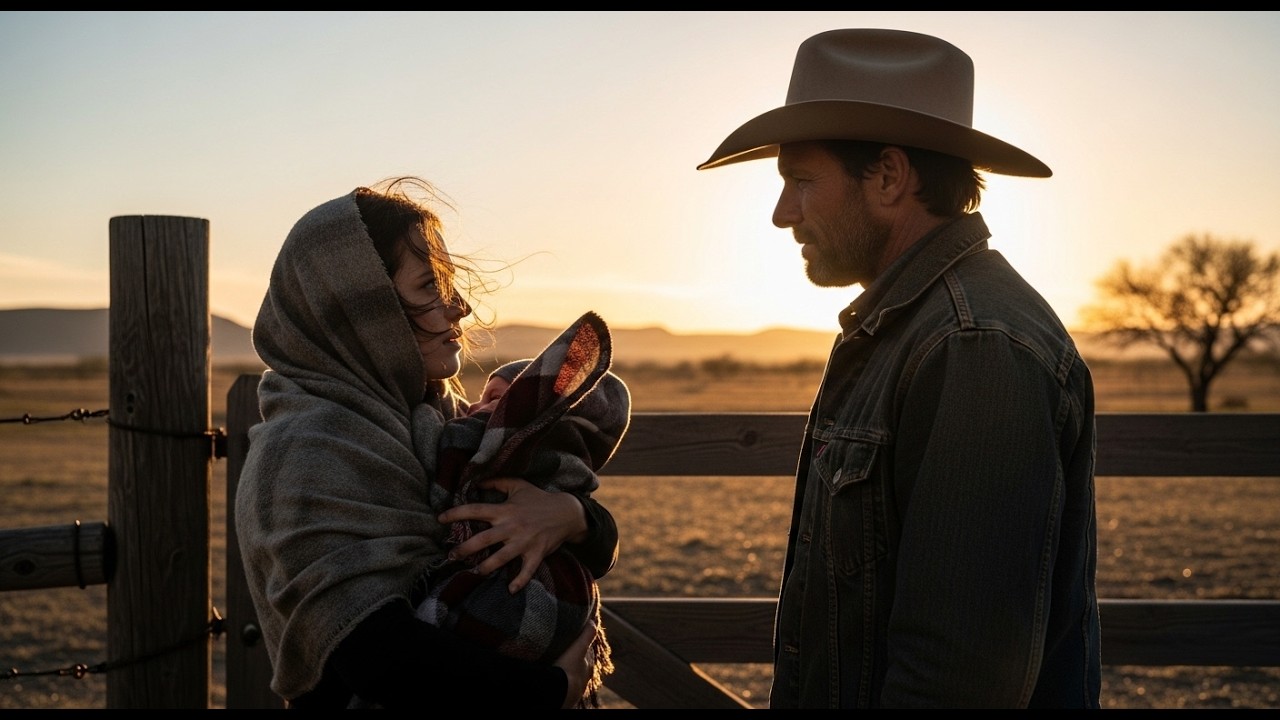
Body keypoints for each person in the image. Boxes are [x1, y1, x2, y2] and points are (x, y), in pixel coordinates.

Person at [696, 29, 1101, 708]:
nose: (780, 214)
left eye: (800, 181)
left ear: (888, 176)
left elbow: (957, 680)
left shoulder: (975, 348)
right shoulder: (909, 328)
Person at [235, 176, 619, 709]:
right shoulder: (305, 453)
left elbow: (594, 551)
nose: (459, 306)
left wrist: (570, 516)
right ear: (361, 311)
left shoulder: (437, 420)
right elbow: (379, 660)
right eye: (429, 287)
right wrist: (555, 690)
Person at [416, 313, 630, 703]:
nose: (475, 409)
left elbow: (602, 544)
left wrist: (574, 514)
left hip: (509, 614)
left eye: (496, 400)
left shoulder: (490, 449)